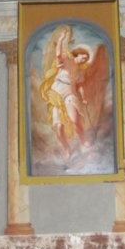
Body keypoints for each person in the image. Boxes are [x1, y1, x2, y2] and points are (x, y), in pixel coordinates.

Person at [40, 29, 93, 159]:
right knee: (59, 127)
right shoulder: (67, 59)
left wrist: (84, 98)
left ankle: (83, 140)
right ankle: (66, 148)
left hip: (69, 93)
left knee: (75, 119)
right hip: (56, 93)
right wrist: (61, 38)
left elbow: (80, 87)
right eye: (83, 57)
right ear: (78, 54)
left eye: (86, 59)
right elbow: (58, 53)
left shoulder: (79, 72)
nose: (84, 59)